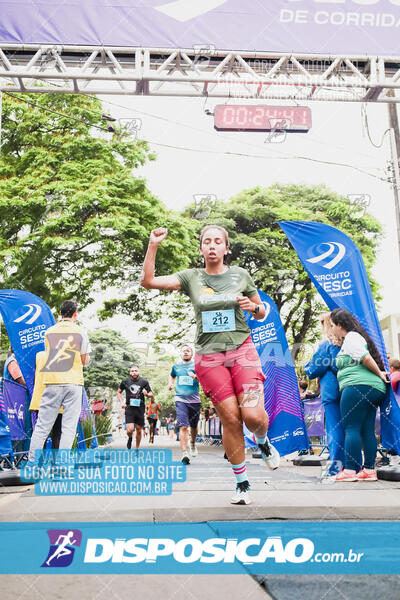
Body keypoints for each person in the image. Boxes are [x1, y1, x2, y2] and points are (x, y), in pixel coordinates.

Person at [141, 224, 279, 505]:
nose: (212, 245)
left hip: (243, 353)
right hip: (209, 358)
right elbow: (149, 281)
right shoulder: (191, 277)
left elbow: (262, 311)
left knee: (252, 416)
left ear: (226, 248)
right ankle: (242, 483)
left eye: (218, 241)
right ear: (201, 248)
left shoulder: (241, 275)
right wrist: (153, 245)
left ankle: (262, 441)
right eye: (207, 241)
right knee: (230, 418)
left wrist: (256, 308)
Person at [28, 299, 91, 462]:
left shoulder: (49, 332)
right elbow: (84, 360)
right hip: (73, 382)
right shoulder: (80, 331)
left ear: (60, 314)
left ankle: (32, 464)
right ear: (75, 314)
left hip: (52, 380)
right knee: (68, 428)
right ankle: (62, 466)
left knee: (42, 426)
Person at [330, 308, 388, 482]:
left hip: (357, 387)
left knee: (351, 428)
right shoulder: (357, 337)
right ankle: (369, 470)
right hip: (372, 389)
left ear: (340, 325)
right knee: (366, 429)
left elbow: (365, 357)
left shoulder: (352, 337)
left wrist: (379, 373)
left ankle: (349, 470)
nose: (332, 329)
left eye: (332, 325)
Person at [304, 313, 345, 477]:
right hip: (347, 388)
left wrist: (308, 366)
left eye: (322, 325)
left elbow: (314, 369)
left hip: (331, 391)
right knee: (349, 428)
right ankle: (351, 466)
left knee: (334, 428)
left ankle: (335, 467)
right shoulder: (344, 342)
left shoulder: (326, 344)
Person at [168, 344, 201, 464]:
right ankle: (184, 453)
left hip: (195, 400)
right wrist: (171, 384)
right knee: (183, 426)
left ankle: (192, 443)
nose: (186, 353)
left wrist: (196, 377)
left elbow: (204, 379)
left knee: (193, 426)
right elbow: (171, 376)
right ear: (180, 354)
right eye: (183, 351)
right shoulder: (176, 367)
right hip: (180, 399)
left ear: (191, 354)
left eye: (188, 351)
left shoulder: (197, 366)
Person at [29, 350, 62, 450]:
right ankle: (55, 463)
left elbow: (35, 378)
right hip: (59, 400)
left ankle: (37, 463)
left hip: (42, 400)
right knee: (57, 434)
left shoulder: (39, 355)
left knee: (41, 433)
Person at [117, 364, 153, 449]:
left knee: (139, 429)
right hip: (129, 408)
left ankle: (137, 448)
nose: (134, 372)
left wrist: (146, 394)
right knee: (129, 430)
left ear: (138, 371)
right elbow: (118, 392)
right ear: (130, 372)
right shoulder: (125, 381)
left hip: (140, 408)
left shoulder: (144, 382)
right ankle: (130, 437)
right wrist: (122, 402)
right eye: (132, 371)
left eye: (136, 371)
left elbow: (151, 394)